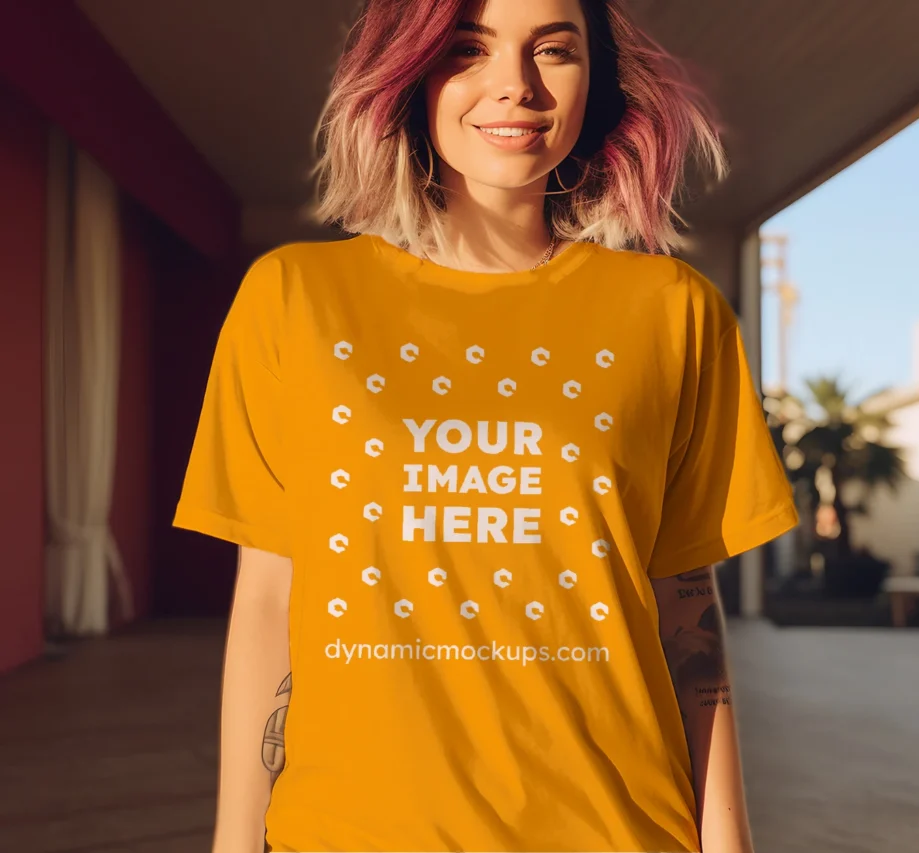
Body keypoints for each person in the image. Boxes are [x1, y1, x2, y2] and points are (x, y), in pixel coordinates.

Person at [172, 0, 799, 850]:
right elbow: (268, 599)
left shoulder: (675, 315)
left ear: (596, 81)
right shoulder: (292, 302)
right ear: (411, 70)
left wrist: (729, 843)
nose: (516, 85)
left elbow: (687, 610)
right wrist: (235, 841)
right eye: (469, 48)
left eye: (555, 50)